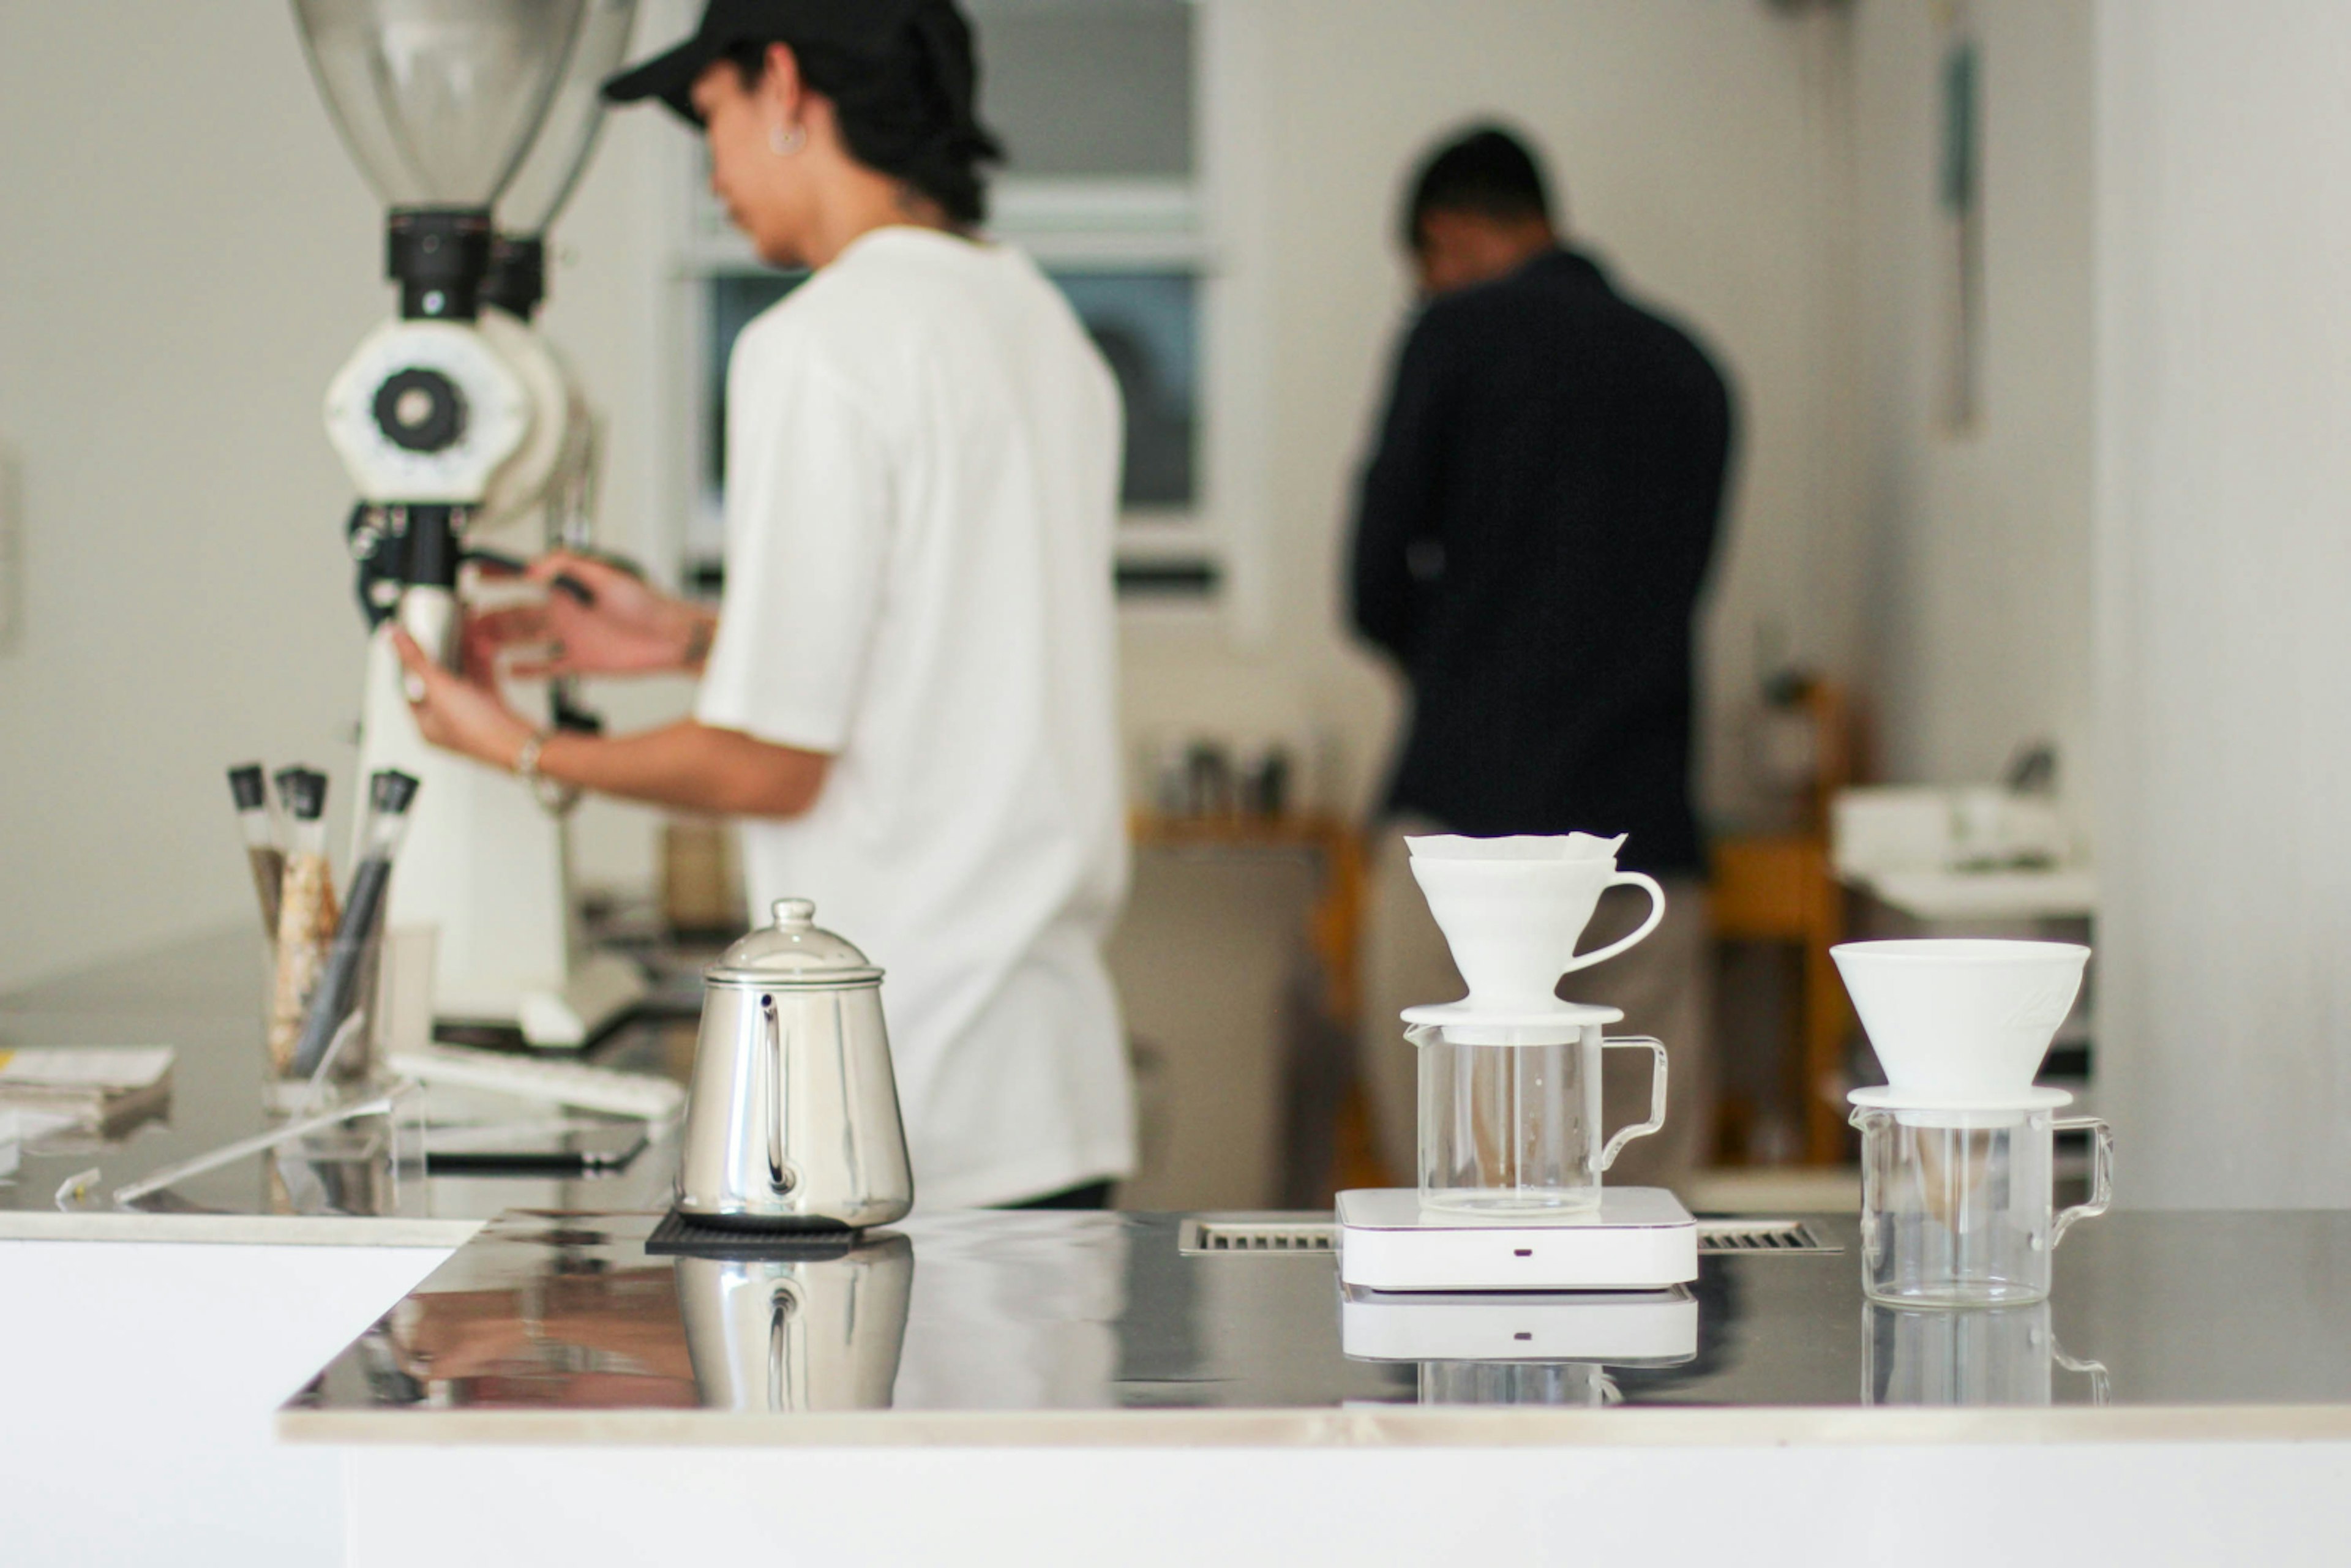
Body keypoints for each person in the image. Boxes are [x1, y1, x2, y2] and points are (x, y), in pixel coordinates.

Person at [392, 0, 1134, 1211]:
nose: (715, 171)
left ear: (784, 86)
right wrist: (685, 637)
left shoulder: (820, 344)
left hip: (900, 1102)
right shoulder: (1041, 326)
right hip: (1052, 1091)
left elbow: (770, 768)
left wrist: (520, 745)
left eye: (712, 118)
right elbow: (955, 653)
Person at [1348, 126, 1733, 1193]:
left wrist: (1461, 658)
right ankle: (1630, 1369)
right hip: (1639, 836)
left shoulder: (1452, 338)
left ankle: (1464, 1367)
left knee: (1453, 1179)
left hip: (1466, 827)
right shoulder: (1691, 370)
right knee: (1637, 1190)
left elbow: (1372, 581)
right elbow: (1680, 587)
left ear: (1449, 240)